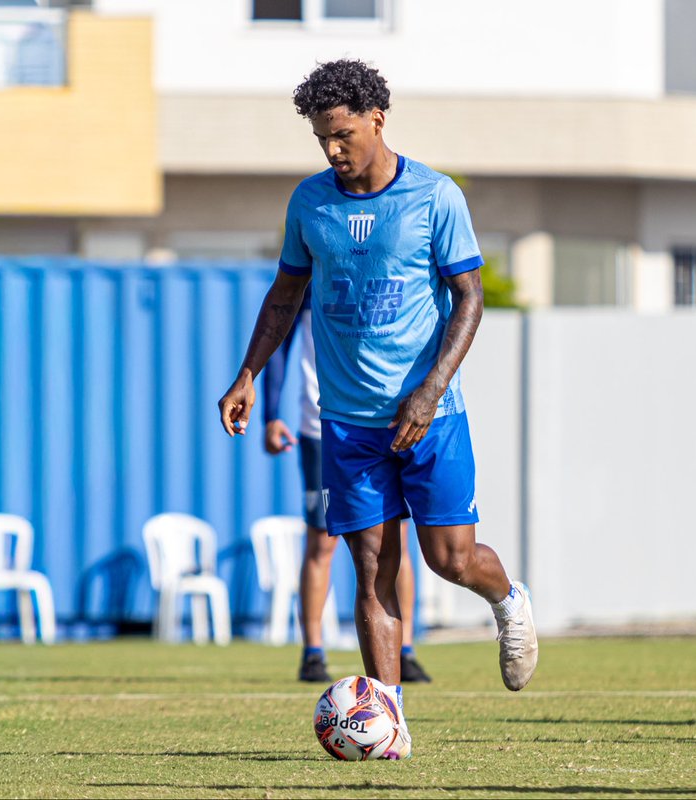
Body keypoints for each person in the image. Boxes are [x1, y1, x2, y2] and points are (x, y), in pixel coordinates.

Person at [218, 59, 537, 756]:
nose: (332, 150)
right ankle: (387, 721)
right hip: (347, 422)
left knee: (448, 559)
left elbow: (470, 297)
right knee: (371, 563)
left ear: (376, 120)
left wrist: (430, 388)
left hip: (432, 416)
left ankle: (509, 601)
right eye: (320, 138)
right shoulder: (310, 203)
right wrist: (247, 374)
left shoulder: (433, 196)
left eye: (341, 134)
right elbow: (284, 296)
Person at [262, 285, 433, 684]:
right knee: (322, 541)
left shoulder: (387, 271)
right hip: (322, 428)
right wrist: (271, 414)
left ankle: (404, 650)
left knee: (398, 540)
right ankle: (312, 653)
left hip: (386, 424)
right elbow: (278, 344)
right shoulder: (309, 279)